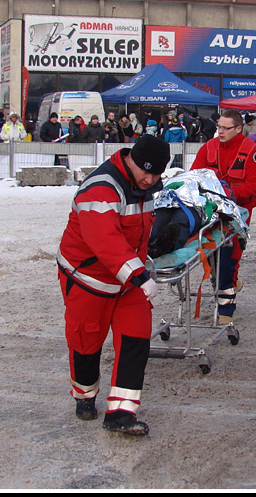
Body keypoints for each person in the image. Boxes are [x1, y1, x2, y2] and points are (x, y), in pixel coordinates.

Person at [57, 134, 171, 436]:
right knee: (86, 343)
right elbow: (104, 240)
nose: (150, 179)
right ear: (131, 160)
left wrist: (141, 268)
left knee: (135, 341)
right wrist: (139, 275)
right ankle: (84, 396)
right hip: (87, 279)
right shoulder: (101, 188)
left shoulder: (145, 185)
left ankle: (121, 413)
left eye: (156, 174)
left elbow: (139, 232)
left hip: (127, 283)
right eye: (146, 171)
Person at [189, 109, 256, 325]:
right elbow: (196, 175)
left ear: (238, 129)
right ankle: (225, 284)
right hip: (212, 211)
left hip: (239, 211)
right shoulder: (209, 147)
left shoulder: (250, 150)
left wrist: (229, 194)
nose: (219, 131)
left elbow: (253, 183)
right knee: (211, 255)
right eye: (218, 127)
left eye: (225, 128)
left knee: (231, 255)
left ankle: (226, 309)